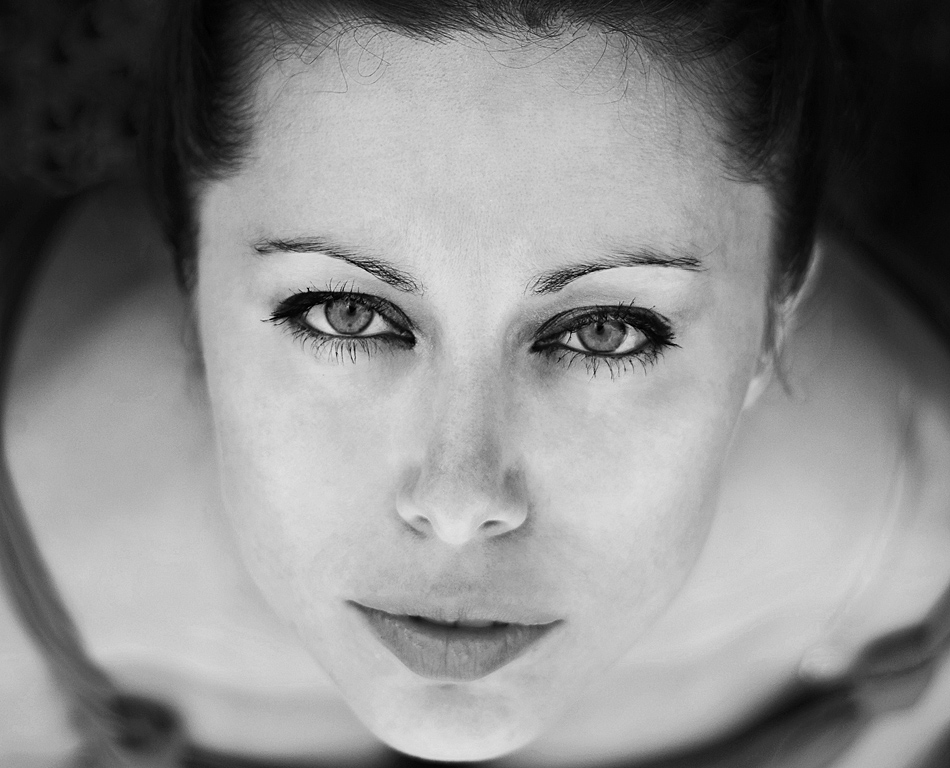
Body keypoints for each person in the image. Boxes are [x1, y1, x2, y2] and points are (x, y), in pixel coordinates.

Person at [2, 1, 950, 766]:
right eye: (346, 314)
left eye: (605, 331)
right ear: (191, 274)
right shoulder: (27, 542)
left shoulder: (915, 540)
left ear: (775, 322)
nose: (460, 507)